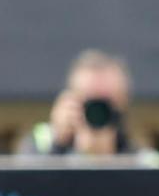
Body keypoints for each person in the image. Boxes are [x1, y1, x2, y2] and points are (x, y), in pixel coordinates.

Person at [19, 50, 149, 157]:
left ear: (122, 103)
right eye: (90, 102)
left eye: (105, 104)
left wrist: (111, 159)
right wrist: (58, 145)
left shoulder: (141, 158)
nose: (97, 113)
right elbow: (29, 183)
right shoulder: (40, 144)